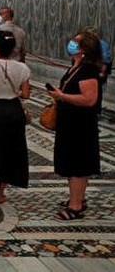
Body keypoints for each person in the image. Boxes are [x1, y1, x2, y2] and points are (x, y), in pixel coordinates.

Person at [47, 30, 101, 221]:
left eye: (76, 42)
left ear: (84, 49)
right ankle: (76, 197)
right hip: (70, 123)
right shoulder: (76, 66)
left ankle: (76, 205)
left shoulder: (87, 71)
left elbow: (89, 99)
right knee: (71, 163)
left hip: (80, 126)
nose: (71, 43)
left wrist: (62, 96)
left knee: (78, 165)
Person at [0, 31, 30, 205]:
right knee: (10, 151)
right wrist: (14, 91)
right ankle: (1, 192)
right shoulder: (23, 68)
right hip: (12, 111)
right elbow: (26, 94)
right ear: (13, 49)